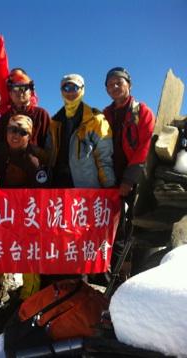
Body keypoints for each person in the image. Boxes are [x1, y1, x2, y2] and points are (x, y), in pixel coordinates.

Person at [0, 115, 50, 308]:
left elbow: (42, 192)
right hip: (1, 214)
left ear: (29, 136)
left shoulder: (34, 159)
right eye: (12, 130)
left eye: (22, 132)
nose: (15, 135)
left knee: (28, 257)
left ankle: (27, 300)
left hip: (27, 216)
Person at [103, 67, 155, 273]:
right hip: (109, 179)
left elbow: (146, 144)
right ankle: (110, 273)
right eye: (110, 84)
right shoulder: (105, 114)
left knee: (129, 227)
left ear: (129, 85)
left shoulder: (142, 111)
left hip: (133, 180)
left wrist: (129, 179)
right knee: (113, 227)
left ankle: (127, 275)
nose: (114, 87)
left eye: (119, 82)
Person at [47, 74, 115, 189]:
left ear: (82, 89)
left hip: (86, 188)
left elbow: (104, 157)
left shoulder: (95, 119)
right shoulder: (54, 122)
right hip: (57, 185)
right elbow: (49, 155)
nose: (70, 92)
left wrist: (109, 185)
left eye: (74, 88)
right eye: (66, 88)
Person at [0, 68, 50, 149]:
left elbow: (50, 147)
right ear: (10, 94)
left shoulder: (41, 114)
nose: (20, 92)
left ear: (31, 92)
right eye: (15, 88)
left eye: (24, 88)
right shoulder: (4, 118)